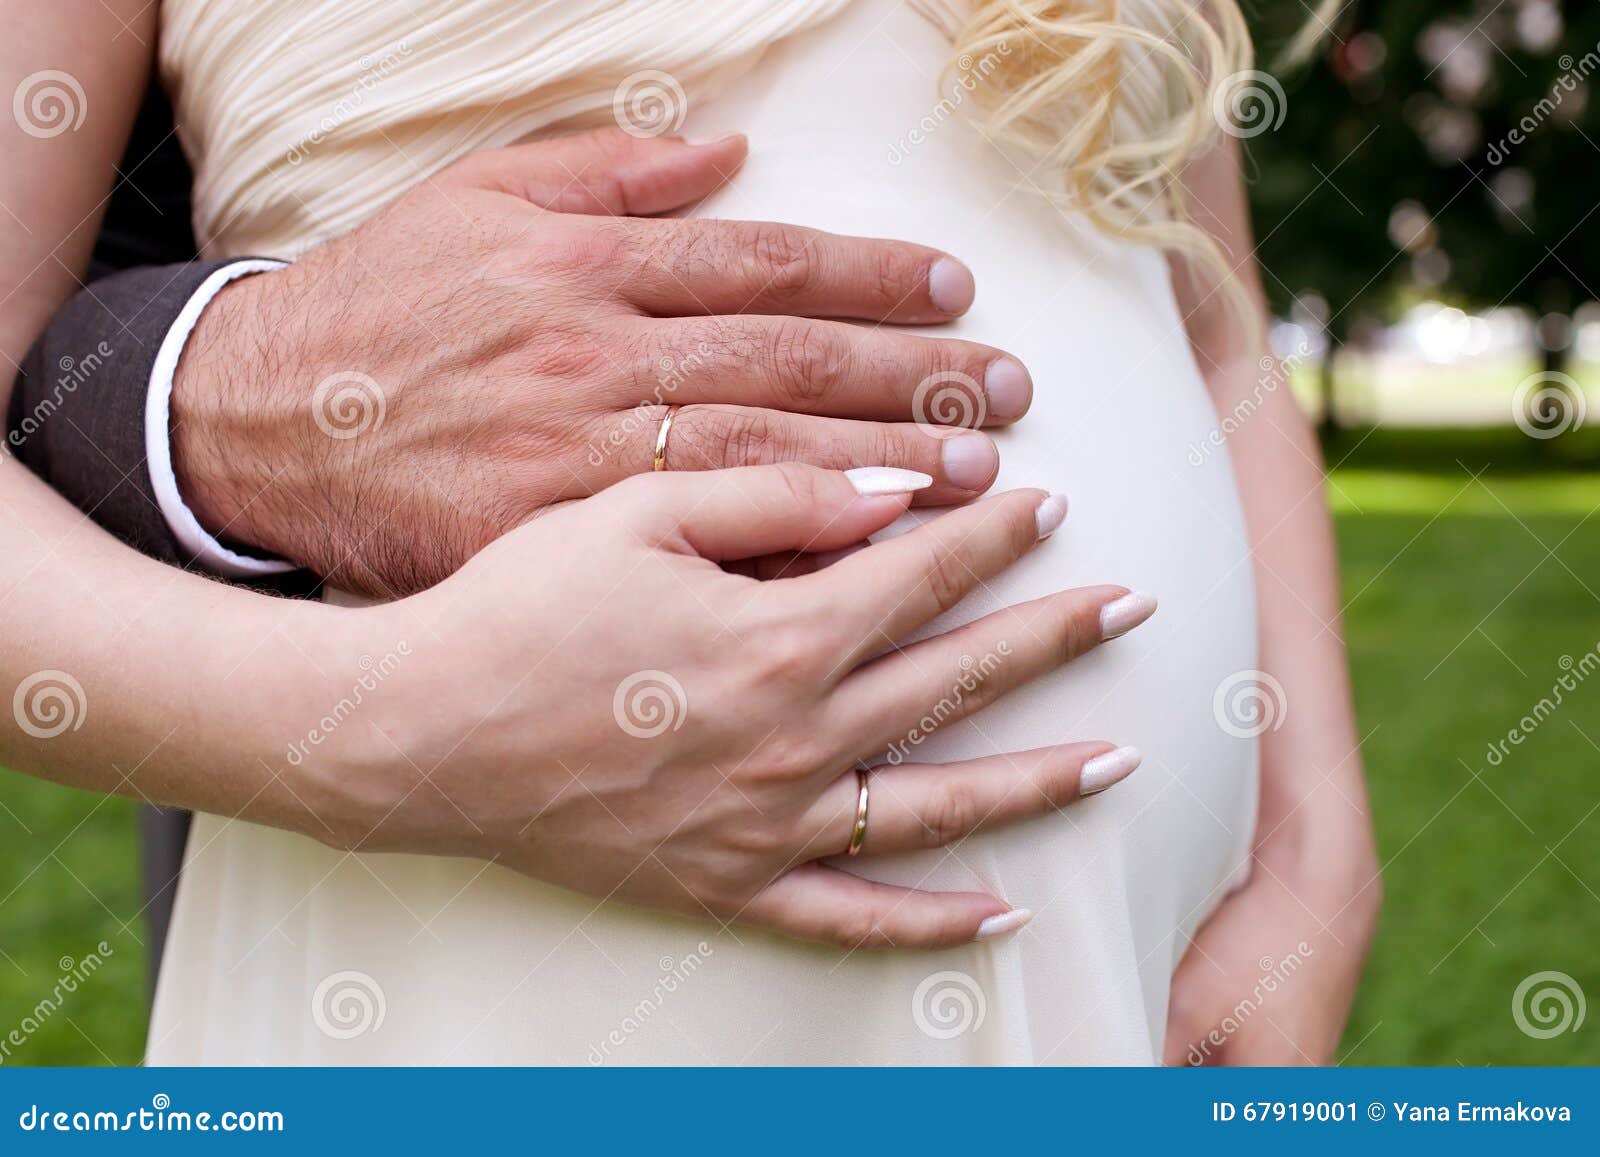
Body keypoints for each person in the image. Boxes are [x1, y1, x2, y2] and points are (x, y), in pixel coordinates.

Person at [3, 0, 1376, 1064]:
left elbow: (1218, 330)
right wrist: (396, 733)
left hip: (1122, 989)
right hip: (510, 930)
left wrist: (1316, 846)